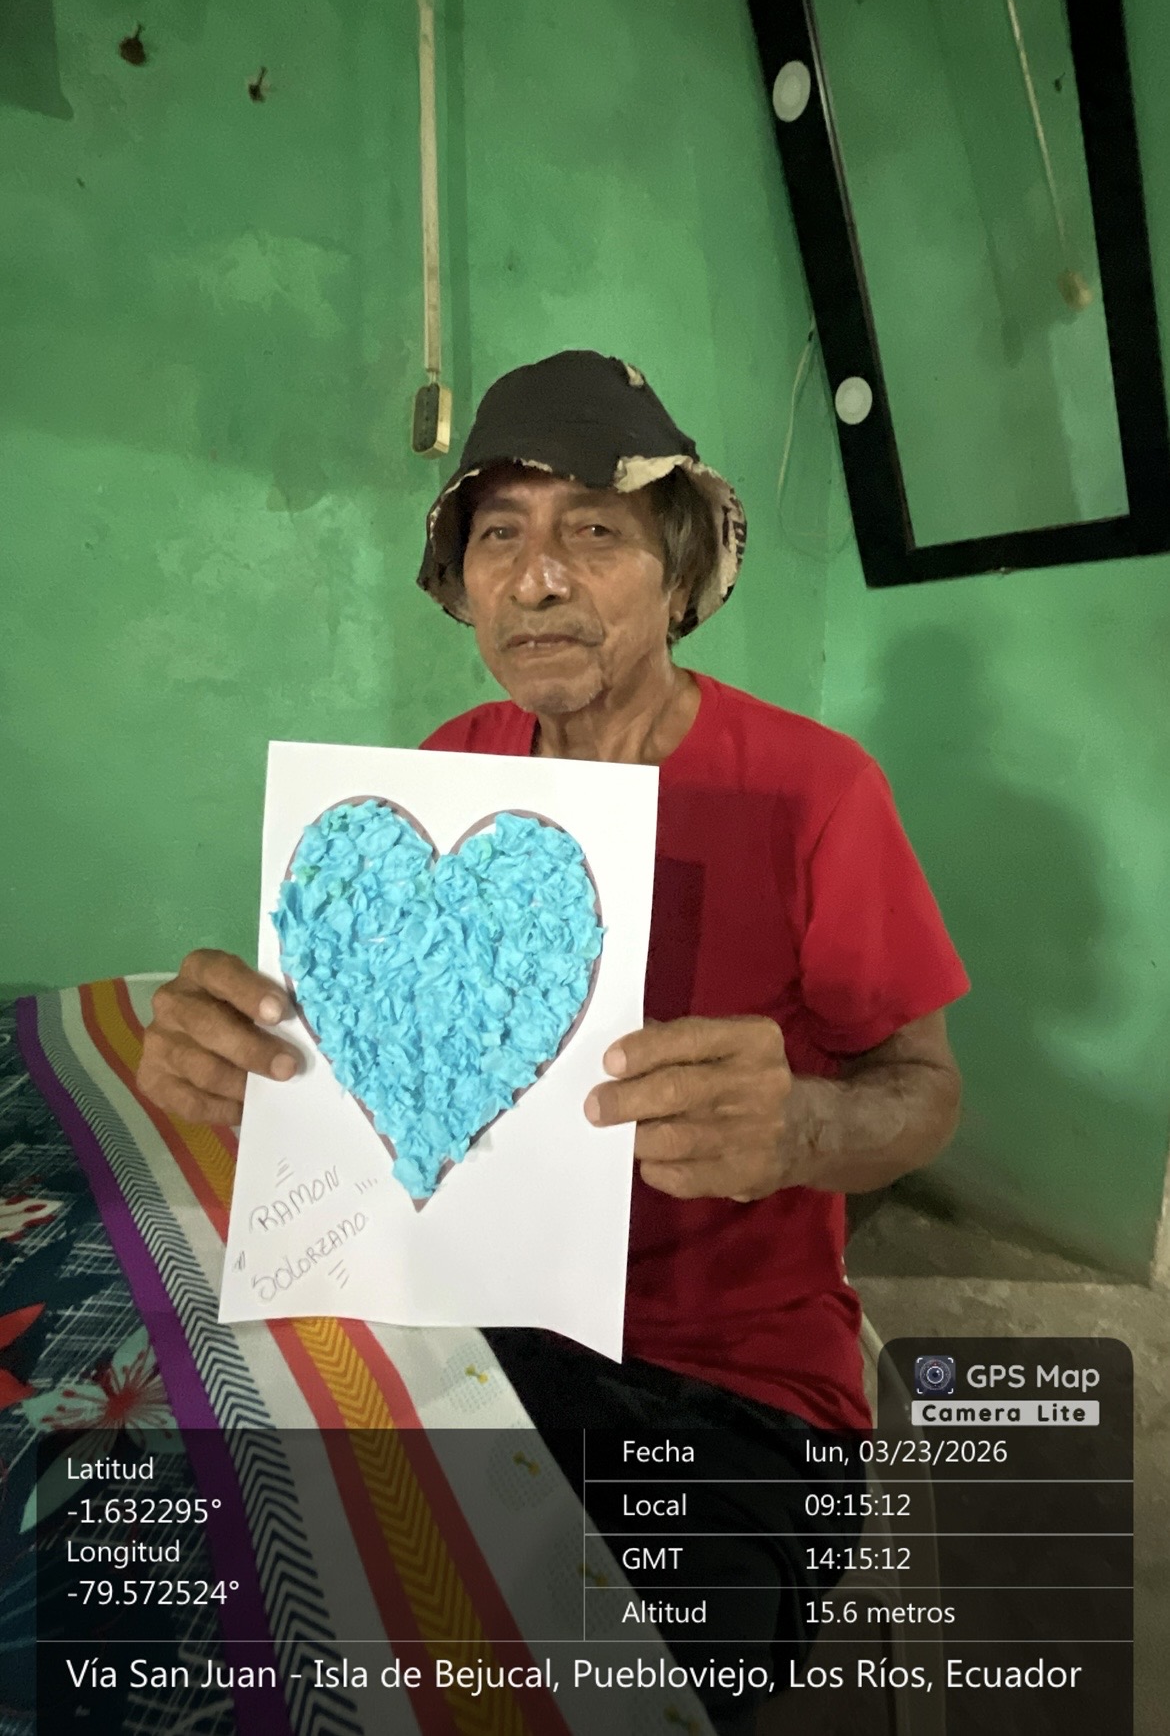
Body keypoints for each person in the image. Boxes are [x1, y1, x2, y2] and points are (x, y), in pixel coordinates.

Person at [138, 351, 968, 1734]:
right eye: (498, 536)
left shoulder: (815, 791)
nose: (536, 579)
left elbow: (927, 1093)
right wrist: (249, 1066)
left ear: (679, 572)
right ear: (461, 584)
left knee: (598, 1688)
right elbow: (381, 1064)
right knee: (225, 1595)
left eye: (593, 530)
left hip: (723, 1383)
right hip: (458, 1314)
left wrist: (804, 1130)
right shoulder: (442, 768)